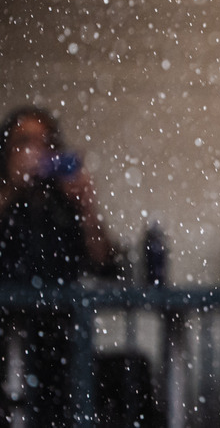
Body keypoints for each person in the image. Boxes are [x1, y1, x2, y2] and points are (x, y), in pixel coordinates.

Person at [0, 106, 121, 426]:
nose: (35, 152)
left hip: (57, 340)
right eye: (24, 142)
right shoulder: (5, 197)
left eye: (45, 144)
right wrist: (12, 187)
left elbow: (106, 265)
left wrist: (86, 206)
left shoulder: (61, 204)